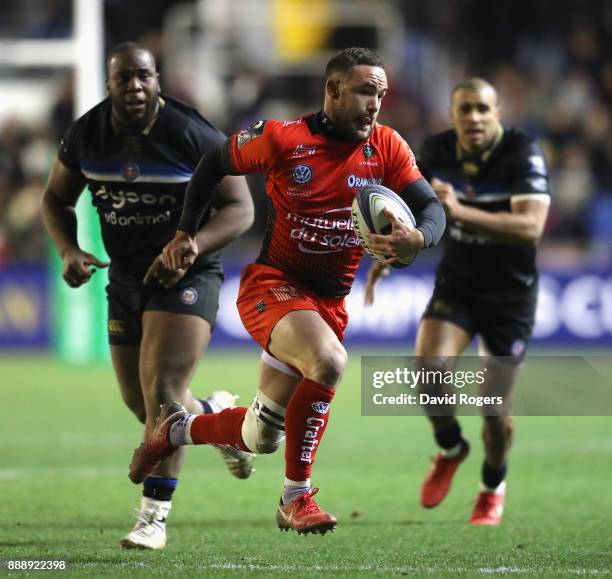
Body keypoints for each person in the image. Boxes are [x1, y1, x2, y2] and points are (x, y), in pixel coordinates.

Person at [128, 47, 446, 535]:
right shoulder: (282, 140)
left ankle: (175, 428)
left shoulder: (387, 146)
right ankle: (295, 498)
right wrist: (186, 232)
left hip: (328, 305)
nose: (375, 104)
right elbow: (213, 163)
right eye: (365, 91)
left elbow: (431, 209)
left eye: (380, 94)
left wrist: (418, 237)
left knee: (260, 436)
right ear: (333, 89)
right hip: (272, 286)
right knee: (331, 362)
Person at [41, 42, 255, 550]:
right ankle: (216, 417)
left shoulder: (191, 133)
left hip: (187, 275)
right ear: (108, 83)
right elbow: (54, 198)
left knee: (161, 394)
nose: (134, 87)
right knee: (144, 406)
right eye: (123, 79)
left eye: (143, 77)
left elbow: (241, 207)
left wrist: (192, 244)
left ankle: (153, 518)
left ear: (158, 78)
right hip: (127, 279)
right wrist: (68, 249)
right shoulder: (86, 135)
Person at [365, 78, 550, 525]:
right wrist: (395, 249)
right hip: (459, 283)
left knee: (495, 411)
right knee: (427, 366)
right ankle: (451, 447)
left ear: (498, 112)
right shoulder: (437, 152)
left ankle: (492, 485)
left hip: (510, 296)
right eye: (464, 109)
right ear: (451, 115)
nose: (473, 118)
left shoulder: (522, 152)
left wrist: (460, 211)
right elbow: (412, 211)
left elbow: (531, 227)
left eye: (482, 110)